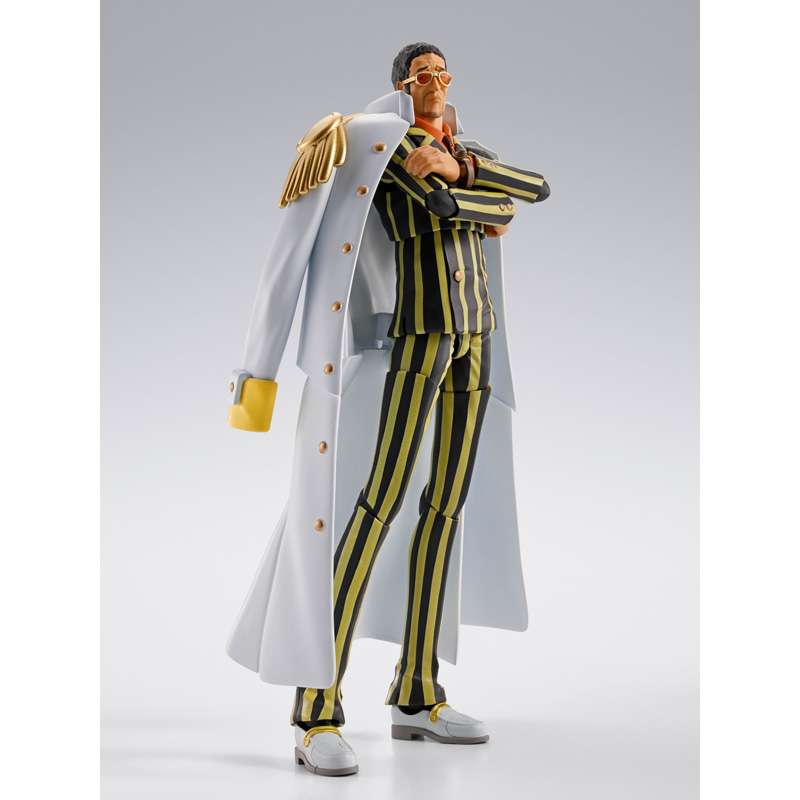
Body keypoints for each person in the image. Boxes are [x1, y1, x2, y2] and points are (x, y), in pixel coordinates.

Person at [289, 41, 550, 776]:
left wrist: (464, 176)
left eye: (441, 73)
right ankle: (316, 709)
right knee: (379, 503)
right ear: (403, 86)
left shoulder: (463, 150)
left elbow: (533, 189)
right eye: (421, 75)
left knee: (446, 510)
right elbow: (435, 204)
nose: (434, 83)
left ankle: (417, 692)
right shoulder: (389, 147)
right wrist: (480, 199)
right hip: (420, 339)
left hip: (477, 341)